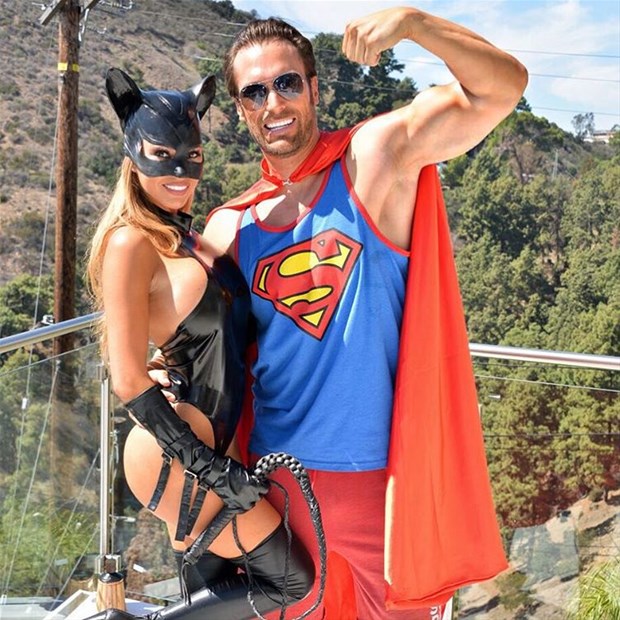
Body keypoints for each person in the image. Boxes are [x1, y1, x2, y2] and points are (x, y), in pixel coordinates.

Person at [199, 6, 528, 620]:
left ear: (314, 88)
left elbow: (501, 88)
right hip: (277, 488)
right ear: (242, 110)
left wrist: (414, 24)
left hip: (382, 487)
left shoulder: (374, 159)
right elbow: (197, 353)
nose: (274, 102)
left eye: (287, 82)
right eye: (255, 92)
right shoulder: (231, 227)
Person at [84, 67, 314, 620]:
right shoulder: (130, 242)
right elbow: (126, 378)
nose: (179, 171)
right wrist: (211, 470)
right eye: (162, 155)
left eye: (191, 156)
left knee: (212, 593)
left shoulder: (187, 237)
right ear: (133, 156)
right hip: (181, 452)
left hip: (214, 447)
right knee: (290, 580)